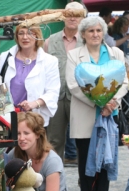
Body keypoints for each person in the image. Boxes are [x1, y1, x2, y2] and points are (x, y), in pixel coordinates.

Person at [66, 16, 128, 191]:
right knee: (86, 159)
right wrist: (98, 102)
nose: (95, 34)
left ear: (104, 33)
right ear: (83, 34)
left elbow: (124, 82)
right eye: (90, 31)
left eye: (98, 30)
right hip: (85, 114)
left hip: (109, 115)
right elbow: (73, 85)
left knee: (106, 160)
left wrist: (112, 103)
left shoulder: (115, 53)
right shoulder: (74, 55)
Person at [44, 1, 85, 164]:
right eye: (69, 14)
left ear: (82, 18)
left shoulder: (87, 40)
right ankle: (54, 181)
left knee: (82, 142)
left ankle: (85, 184)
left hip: (80, 97)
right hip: (57, 97)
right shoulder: (50, 41)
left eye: (77, 15)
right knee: (54, 142)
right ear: (62, 16)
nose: (72, 18)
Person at [0, 24, 60, 127]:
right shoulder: (6, 56)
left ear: (37, 36)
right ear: (17, 37)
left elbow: (53, 92)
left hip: (34, 119)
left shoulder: (49, 61)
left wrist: (35, 103)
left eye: (30, 33)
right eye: (21, 33)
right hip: (7, 120)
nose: (25, 37)